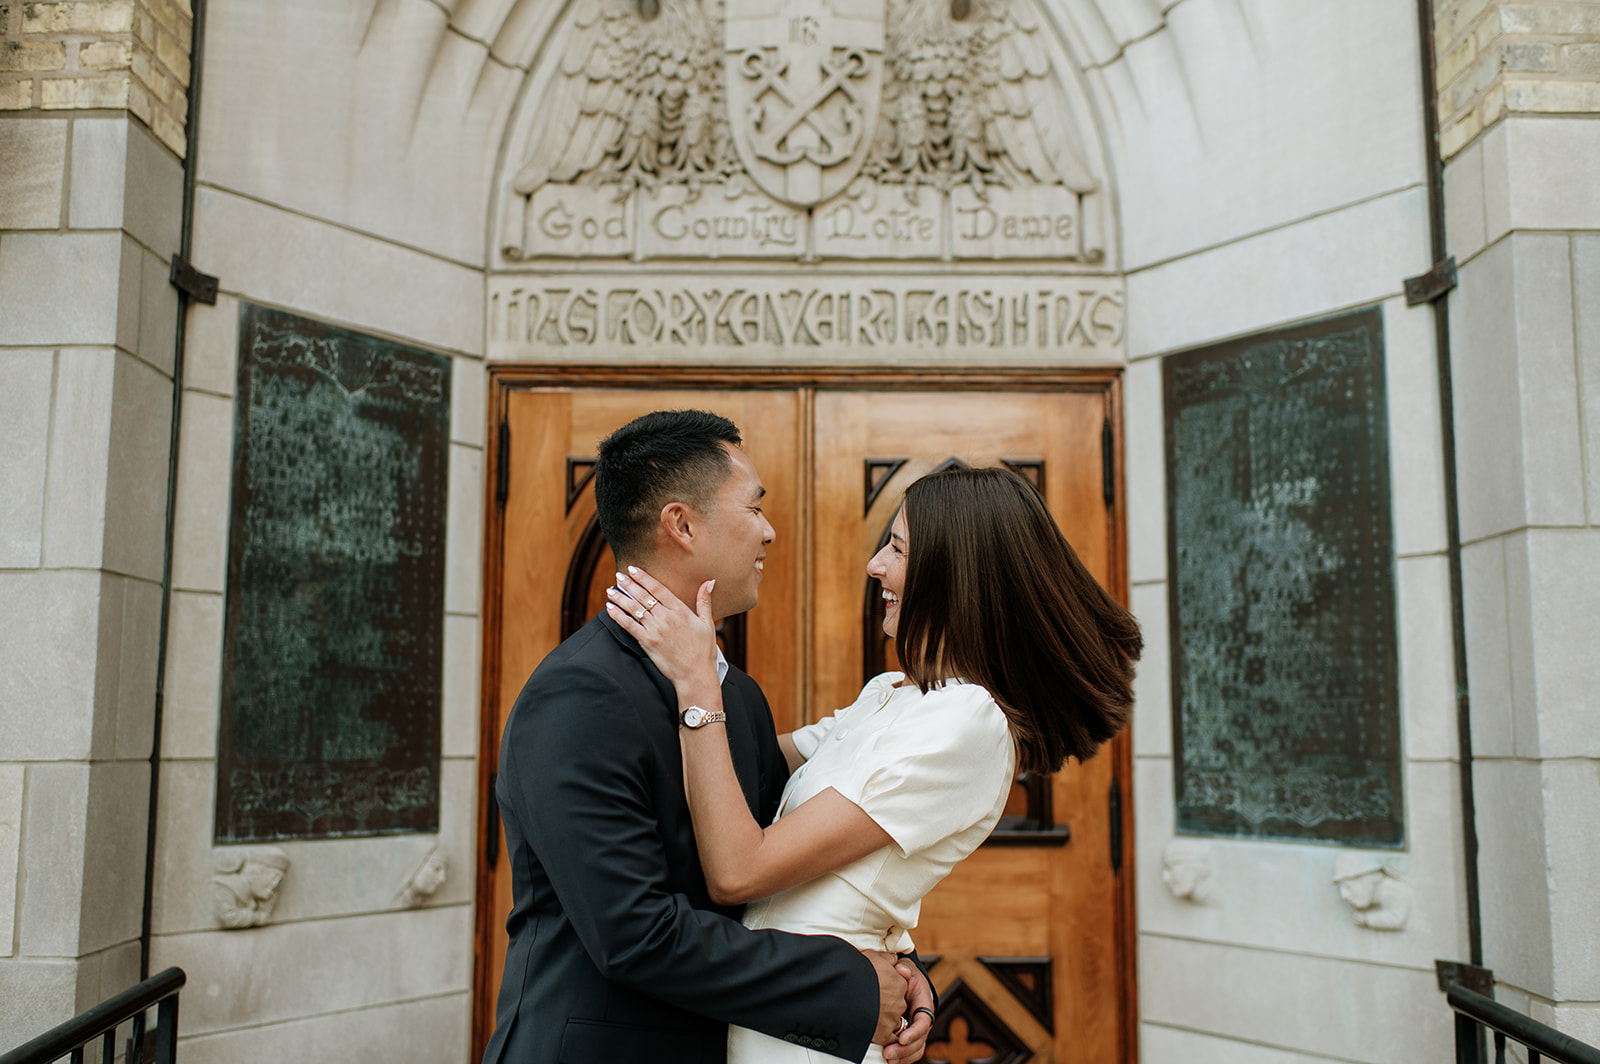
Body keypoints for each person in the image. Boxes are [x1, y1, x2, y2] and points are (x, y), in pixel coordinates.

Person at [608, 464, 1143, 1064]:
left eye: (898, 548)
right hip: (781, 1009)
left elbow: (739, 870)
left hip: (808, 1035)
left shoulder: (968, 722)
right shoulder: (892, 693)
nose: (875, 566)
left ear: (953, 575)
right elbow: (748, 762)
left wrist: (698, 682)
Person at [483, 410, 933, 1064]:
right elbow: (635, 935)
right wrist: (855, 988)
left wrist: (901, 973)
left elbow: (790, 875)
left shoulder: (738, 699)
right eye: (755, 508)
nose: (770, 531)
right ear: (683, 525)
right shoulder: (576, 695)